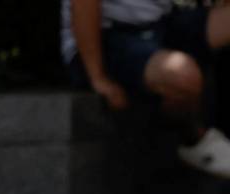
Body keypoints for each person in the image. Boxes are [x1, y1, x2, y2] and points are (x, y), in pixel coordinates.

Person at [63, 0, 230, 178]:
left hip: (159, 25)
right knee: (182, 75)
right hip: (107, 35)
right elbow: (83, 5)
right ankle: (195, 139)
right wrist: (98, 77)